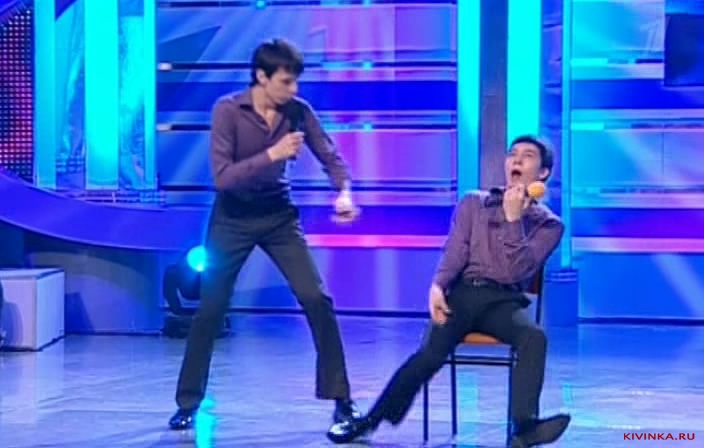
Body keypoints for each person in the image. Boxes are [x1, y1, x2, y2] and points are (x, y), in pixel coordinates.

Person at [327, 136, 571, 447]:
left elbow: (515, 272)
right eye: (512, 154)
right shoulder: (474, 203)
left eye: (528, 156)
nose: (517, 160)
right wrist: (437, 286)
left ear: (543, 173)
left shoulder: (548, 225)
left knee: (534, 337)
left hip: (503, 302)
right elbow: (455, 252)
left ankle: (523, 428)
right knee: (428, 355)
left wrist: (513, 220)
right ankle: (369, 421)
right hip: (463, 295)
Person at [169, 38, 361, 430]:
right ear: (261, 76)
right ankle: (188, 402)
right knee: (210, 309)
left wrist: (343, 192)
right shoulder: (227, 111)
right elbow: (223, 178)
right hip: (232, 218)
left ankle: (342, 401)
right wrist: (272, 155)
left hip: (278, 217)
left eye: (295, 82)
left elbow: (329, 155)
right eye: (286, 82)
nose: (294, 89)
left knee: (317, 298)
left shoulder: (298, 112)